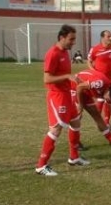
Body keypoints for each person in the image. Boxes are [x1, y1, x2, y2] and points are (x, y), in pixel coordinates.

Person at [35, 25, 88, 176]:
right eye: (71, 39)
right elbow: (47, 79)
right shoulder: (53, 54)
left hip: (66, 95)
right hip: (57, 96)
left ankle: (74, 157)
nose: (73, 42)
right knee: (56, 129)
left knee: (76, 122)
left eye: (74, 39)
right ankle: (41, 165)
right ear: (61, 37)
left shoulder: (65, 52)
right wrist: (67, 76)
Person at [71, 69, 111, 146]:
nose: (107, 101)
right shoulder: (99, 83)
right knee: (77, 117)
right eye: (108, 99)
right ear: (108, 92)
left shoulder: (109, 90)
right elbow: (79, 87)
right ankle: (75, 142)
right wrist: (80, 105)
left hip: (85, 91)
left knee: (97, 115)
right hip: (75, 86)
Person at [87, 30, 111, 129]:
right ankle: (100, 122)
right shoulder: (95, 49)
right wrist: (94, 72)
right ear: (102, 37)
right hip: (98, 79)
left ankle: (105, 122)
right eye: (108, 36)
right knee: (101, 99)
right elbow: (89, 62)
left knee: (108, 100)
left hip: (108, 79)